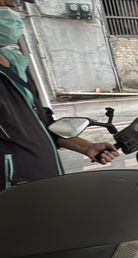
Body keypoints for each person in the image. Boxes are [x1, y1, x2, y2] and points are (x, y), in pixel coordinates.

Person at [0, 0, 118, 192]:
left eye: (15, 5)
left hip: (47, 184)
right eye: (4, 4)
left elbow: (42, 123)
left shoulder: (16, 65)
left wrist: (87, 147)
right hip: (13, 199)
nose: (12, 10)